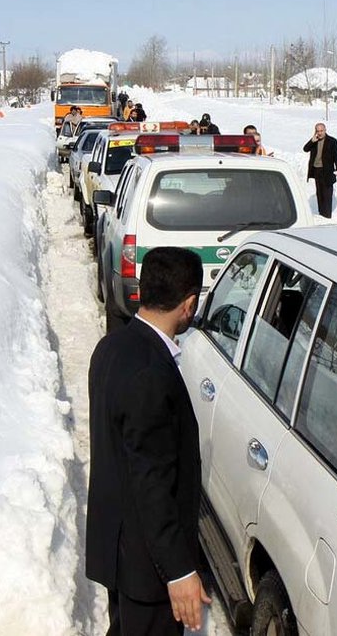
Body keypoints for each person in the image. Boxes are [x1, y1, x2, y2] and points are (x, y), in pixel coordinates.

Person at [86, 247, 210, 636]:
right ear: (188, 304)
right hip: (147, 571)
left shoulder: (112, 346)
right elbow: (151, 483)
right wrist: (179, 572)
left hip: (121, 554)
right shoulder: (150, 375)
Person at [302, 122, 337, 218]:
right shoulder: (314, 141)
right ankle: (321, 214)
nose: (319, 133)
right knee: (319, 193)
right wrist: (312, 141)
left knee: (327, 194)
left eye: (321, 131)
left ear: (325, 130)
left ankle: (327, 215)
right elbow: (305, 149)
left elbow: (336, 155)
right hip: (317, 170)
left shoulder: (332, 141)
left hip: (327, 171)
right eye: (317, 131)